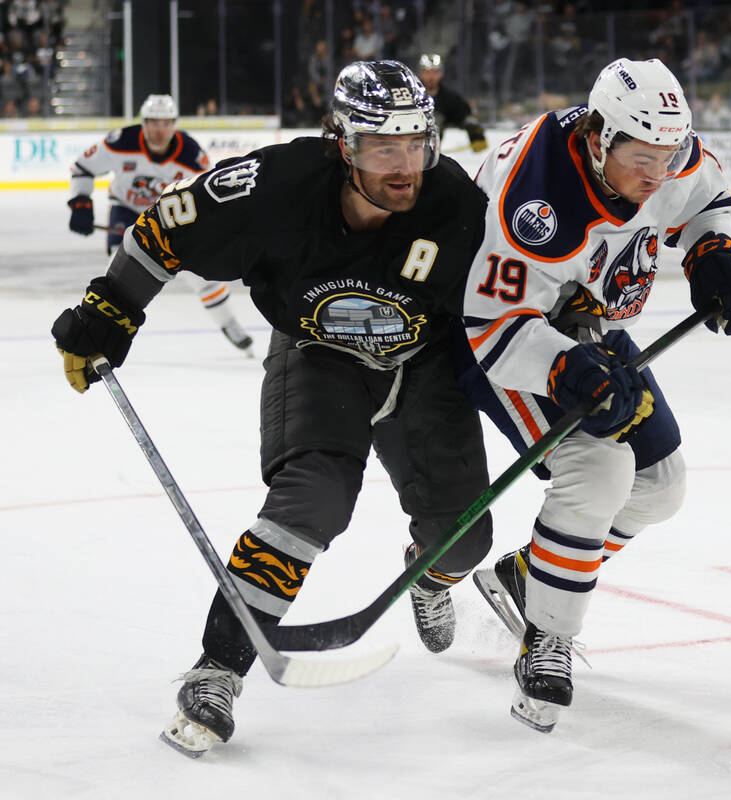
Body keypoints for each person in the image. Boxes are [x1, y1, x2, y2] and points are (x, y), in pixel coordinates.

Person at [50, 61, 494, 756]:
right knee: (311, 501)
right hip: (319, 353)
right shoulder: (276, 186)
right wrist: (111, 307)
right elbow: (165, 227)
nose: (405, 166)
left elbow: (516, 296)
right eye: (384, 147)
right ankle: (218, 669)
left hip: (422, 366)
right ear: (340, 144)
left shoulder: (456, 205)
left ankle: (429, 573)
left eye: (416, 144)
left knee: (466, 539)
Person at [464, 58, 731, 733]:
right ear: (599, 136)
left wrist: (712, 252)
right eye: (643, 157)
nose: (658, 172)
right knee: (599, 468)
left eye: (669, 154)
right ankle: (546, 638)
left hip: (589, 325)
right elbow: (492, 325)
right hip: (501, 336)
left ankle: (530, 575)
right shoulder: (536, 198)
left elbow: (704, 200)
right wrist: (565, 369)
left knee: (660, 486)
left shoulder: (667, 152)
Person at [67, 94, 254, 353]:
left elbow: (203, 197)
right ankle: (104, 334)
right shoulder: (121, 141)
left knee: (201, 273)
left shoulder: (192, 155)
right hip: (127, 212)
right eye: (153, 122)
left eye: (165, 123)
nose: (159, 129)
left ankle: (229, 324)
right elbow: (82, 167)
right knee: (116, 275)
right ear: (143, 123)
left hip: (170, 217)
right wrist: (80, 203)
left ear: (174, 123)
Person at [417, 53, 487, 153]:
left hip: (434, 154)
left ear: (441, 73)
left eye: (435, 72)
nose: (431, 77)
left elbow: (466, 117)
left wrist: (476, 135)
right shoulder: (410, 98)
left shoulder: (450, 99)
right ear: (421, 73)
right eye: (427, 72)